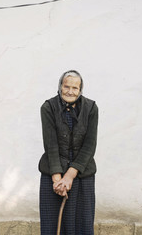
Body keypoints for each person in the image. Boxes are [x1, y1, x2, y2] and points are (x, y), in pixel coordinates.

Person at [38, 70, 98, 235]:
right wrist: (57, 180)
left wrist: (70, 176)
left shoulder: (91, 108)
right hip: (53, 173)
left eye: (75, 88)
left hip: (82, 173)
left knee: (82, 224)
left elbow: (89, 145)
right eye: (66, 86)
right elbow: (51, 145)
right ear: (60, 86)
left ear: (80, 90)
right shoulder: (48, 107)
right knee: (53, 225)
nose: (70, 91)